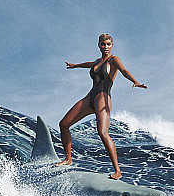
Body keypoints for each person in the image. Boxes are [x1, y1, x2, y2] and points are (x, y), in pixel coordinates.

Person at [56, 34, 147, 180]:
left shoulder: (114, 59)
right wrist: (75, 65)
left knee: (102, 132)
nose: (105, 47)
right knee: (64, 124)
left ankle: (117, 171)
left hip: (103, 97)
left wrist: (135, 81)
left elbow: (124, 71)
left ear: (112, 45)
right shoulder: (98, 61)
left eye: (108, 44)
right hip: (90, 97)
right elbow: (89, 64)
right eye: (103, 44)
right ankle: (68, 159)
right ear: (98, 45)